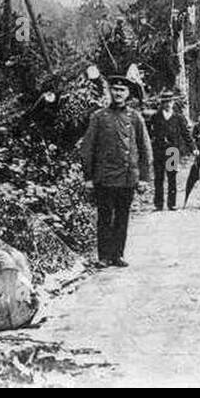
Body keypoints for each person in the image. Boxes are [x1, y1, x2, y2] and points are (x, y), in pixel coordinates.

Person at [79, 75, 151, 268]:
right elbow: (87, 148)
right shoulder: (99, 117)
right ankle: (103, 256)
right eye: (115, 90)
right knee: (104, 217)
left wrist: (144, 177)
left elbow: (145, 149)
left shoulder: (135, 117)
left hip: (127, 177)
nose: (118, 93)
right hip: (104, 177)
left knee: (122, 217)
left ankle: (118, 254)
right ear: (110, 92)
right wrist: (88, 177)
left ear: (128, 94)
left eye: (122, 90)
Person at [147, 94, 194, 211]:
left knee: (172, 176)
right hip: (158, 150)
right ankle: (158, 204)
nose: (168, 104)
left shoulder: (178, 117)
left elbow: (186, 134)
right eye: (165, 102)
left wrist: (193, 147)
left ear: (173, 103)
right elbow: (148, 134)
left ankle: (171, 203)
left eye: (170, 102)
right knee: (158, 177)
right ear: (162, 104)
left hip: (172, 151)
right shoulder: (155, 117)